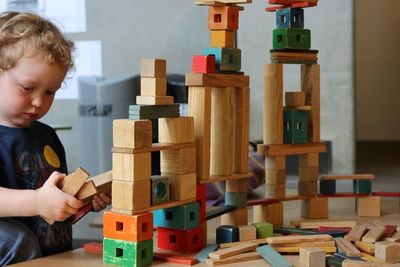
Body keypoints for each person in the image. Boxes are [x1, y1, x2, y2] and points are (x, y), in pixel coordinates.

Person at [0, 11, 110, 266]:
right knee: (18, 240)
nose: (39, 101)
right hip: (20, 255)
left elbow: (53, 211)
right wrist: (37, 201)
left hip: (54, 257)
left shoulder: (47, 136)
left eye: (50, 91)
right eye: (27, 88)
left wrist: (80, 201)